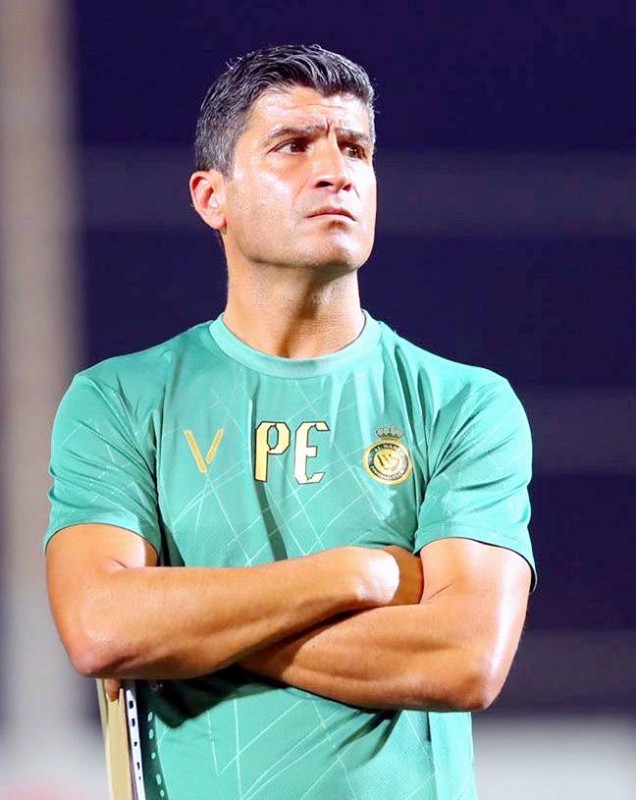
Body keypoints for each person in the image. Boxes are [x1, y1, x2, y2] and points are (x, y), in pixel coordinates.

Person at [45, 44, 535, 800]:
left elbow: (465, 658)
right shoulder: (119, 399)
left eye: (356, 149)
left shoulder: (463, 402)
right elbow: (103, 627)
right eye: (294, 145)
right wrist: (358, 575)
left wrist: (184, 630)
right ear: (213, 197)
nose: (336, 170)